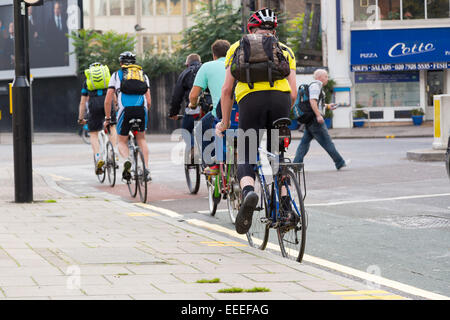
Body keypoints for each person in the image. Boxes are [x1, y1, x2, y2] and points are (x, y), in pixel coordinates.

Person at [216, 8, 297, 234]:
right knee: (278, 156)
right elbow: (293, 91)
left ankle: (249, 192)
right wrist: (283, 115)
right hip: (280, 101)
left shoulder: (236, 48)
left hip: (250, 102)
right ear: (274, 30)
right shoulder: (285, 50)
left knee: (247, 154)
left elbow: (226, 90)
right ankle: (287, 209)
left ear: (250, 29)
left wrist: (224, 123)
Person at [104, 51, 152, 182]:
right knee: (141, 138)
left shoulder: (116, 75)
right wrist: (145, 112)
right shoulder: (143, 75)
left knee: (122, 141)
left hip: (125, 110)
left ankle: (127, 163)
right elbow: (148, 101)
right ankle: (146, 169)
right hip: (141, 109)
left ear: (121, 63)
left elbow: (108, 100)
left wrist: (108, 118)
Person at [188, 39, 230, 174]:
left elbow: (193, 95)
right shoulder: (237, 64)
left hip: (220, 112)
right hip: (241, 111)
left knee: (201, 128)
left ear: (214, 55)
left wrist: (192, 104)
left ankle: (211, 165)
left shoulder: (207, 66)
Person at [293, 69, 349, 170]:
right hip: (315, 120)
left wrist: (328, 106)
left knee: (304, 144)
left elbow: (317, 103)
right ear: (320, 77)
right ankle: (340, 162)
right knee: (327, 143)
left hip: (311, 121)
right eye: (326, 76)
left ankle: (296, 165)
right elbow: (312, 101)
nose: (327, 78)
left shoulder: (316, 86)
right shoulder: (316, 85)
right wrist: (319, 115)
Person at [78, 63, 118, 175]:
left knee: (94, 133)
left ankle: (98, 157)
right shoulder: (108, 78)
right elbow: (113, 95)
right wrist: (115, 106)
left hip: (94, 105)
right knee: (112, 126)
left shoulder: (87, 82)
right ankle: (113, 151)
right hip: (107, 103)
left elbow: (82, 102)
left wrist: (81, 118)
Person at [169, 53, 202, 152]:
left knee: (185, 131)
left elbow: (177, 97)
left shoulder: (185, 73)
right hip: (209, 107)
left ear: (187, 64)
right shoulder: (206, 70)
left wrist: (173, 113)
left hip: (193, 108)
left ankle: (192, 147)